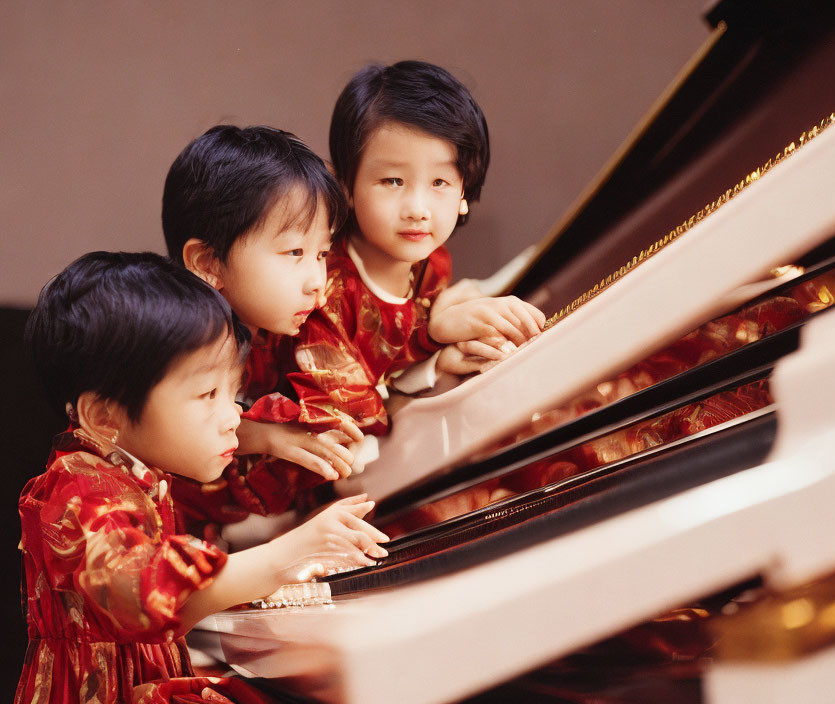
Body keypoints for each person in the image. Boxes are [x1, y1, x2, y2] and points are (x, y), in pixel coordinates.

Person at [16, 252, 388, 704]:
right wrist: (287, 553)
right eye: (207, 393)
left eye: (234, 393)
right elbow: (143, 591)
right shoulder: (76, 491)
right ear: (103, 414)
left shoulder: (132, 472)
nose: (232, 416)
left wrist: (270, 440)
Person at [260, 60, 546, 449]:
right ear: (345, 185)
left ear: (464, 192)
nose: (417, 207)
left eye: (440, 182)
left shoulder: (433, 262)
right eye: (393, 180)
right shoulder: (320, 290)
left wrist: (436, 351)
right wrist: (432, 338)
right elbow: (352, 418)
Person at [163, 125, 365, 537]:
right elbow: (171, 430)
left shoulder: (291, 329)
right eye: (294, 252)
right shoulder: (173, 343)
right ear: (208, 263)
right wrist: (266, 436)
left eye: (322, 253)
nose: (316, 279)